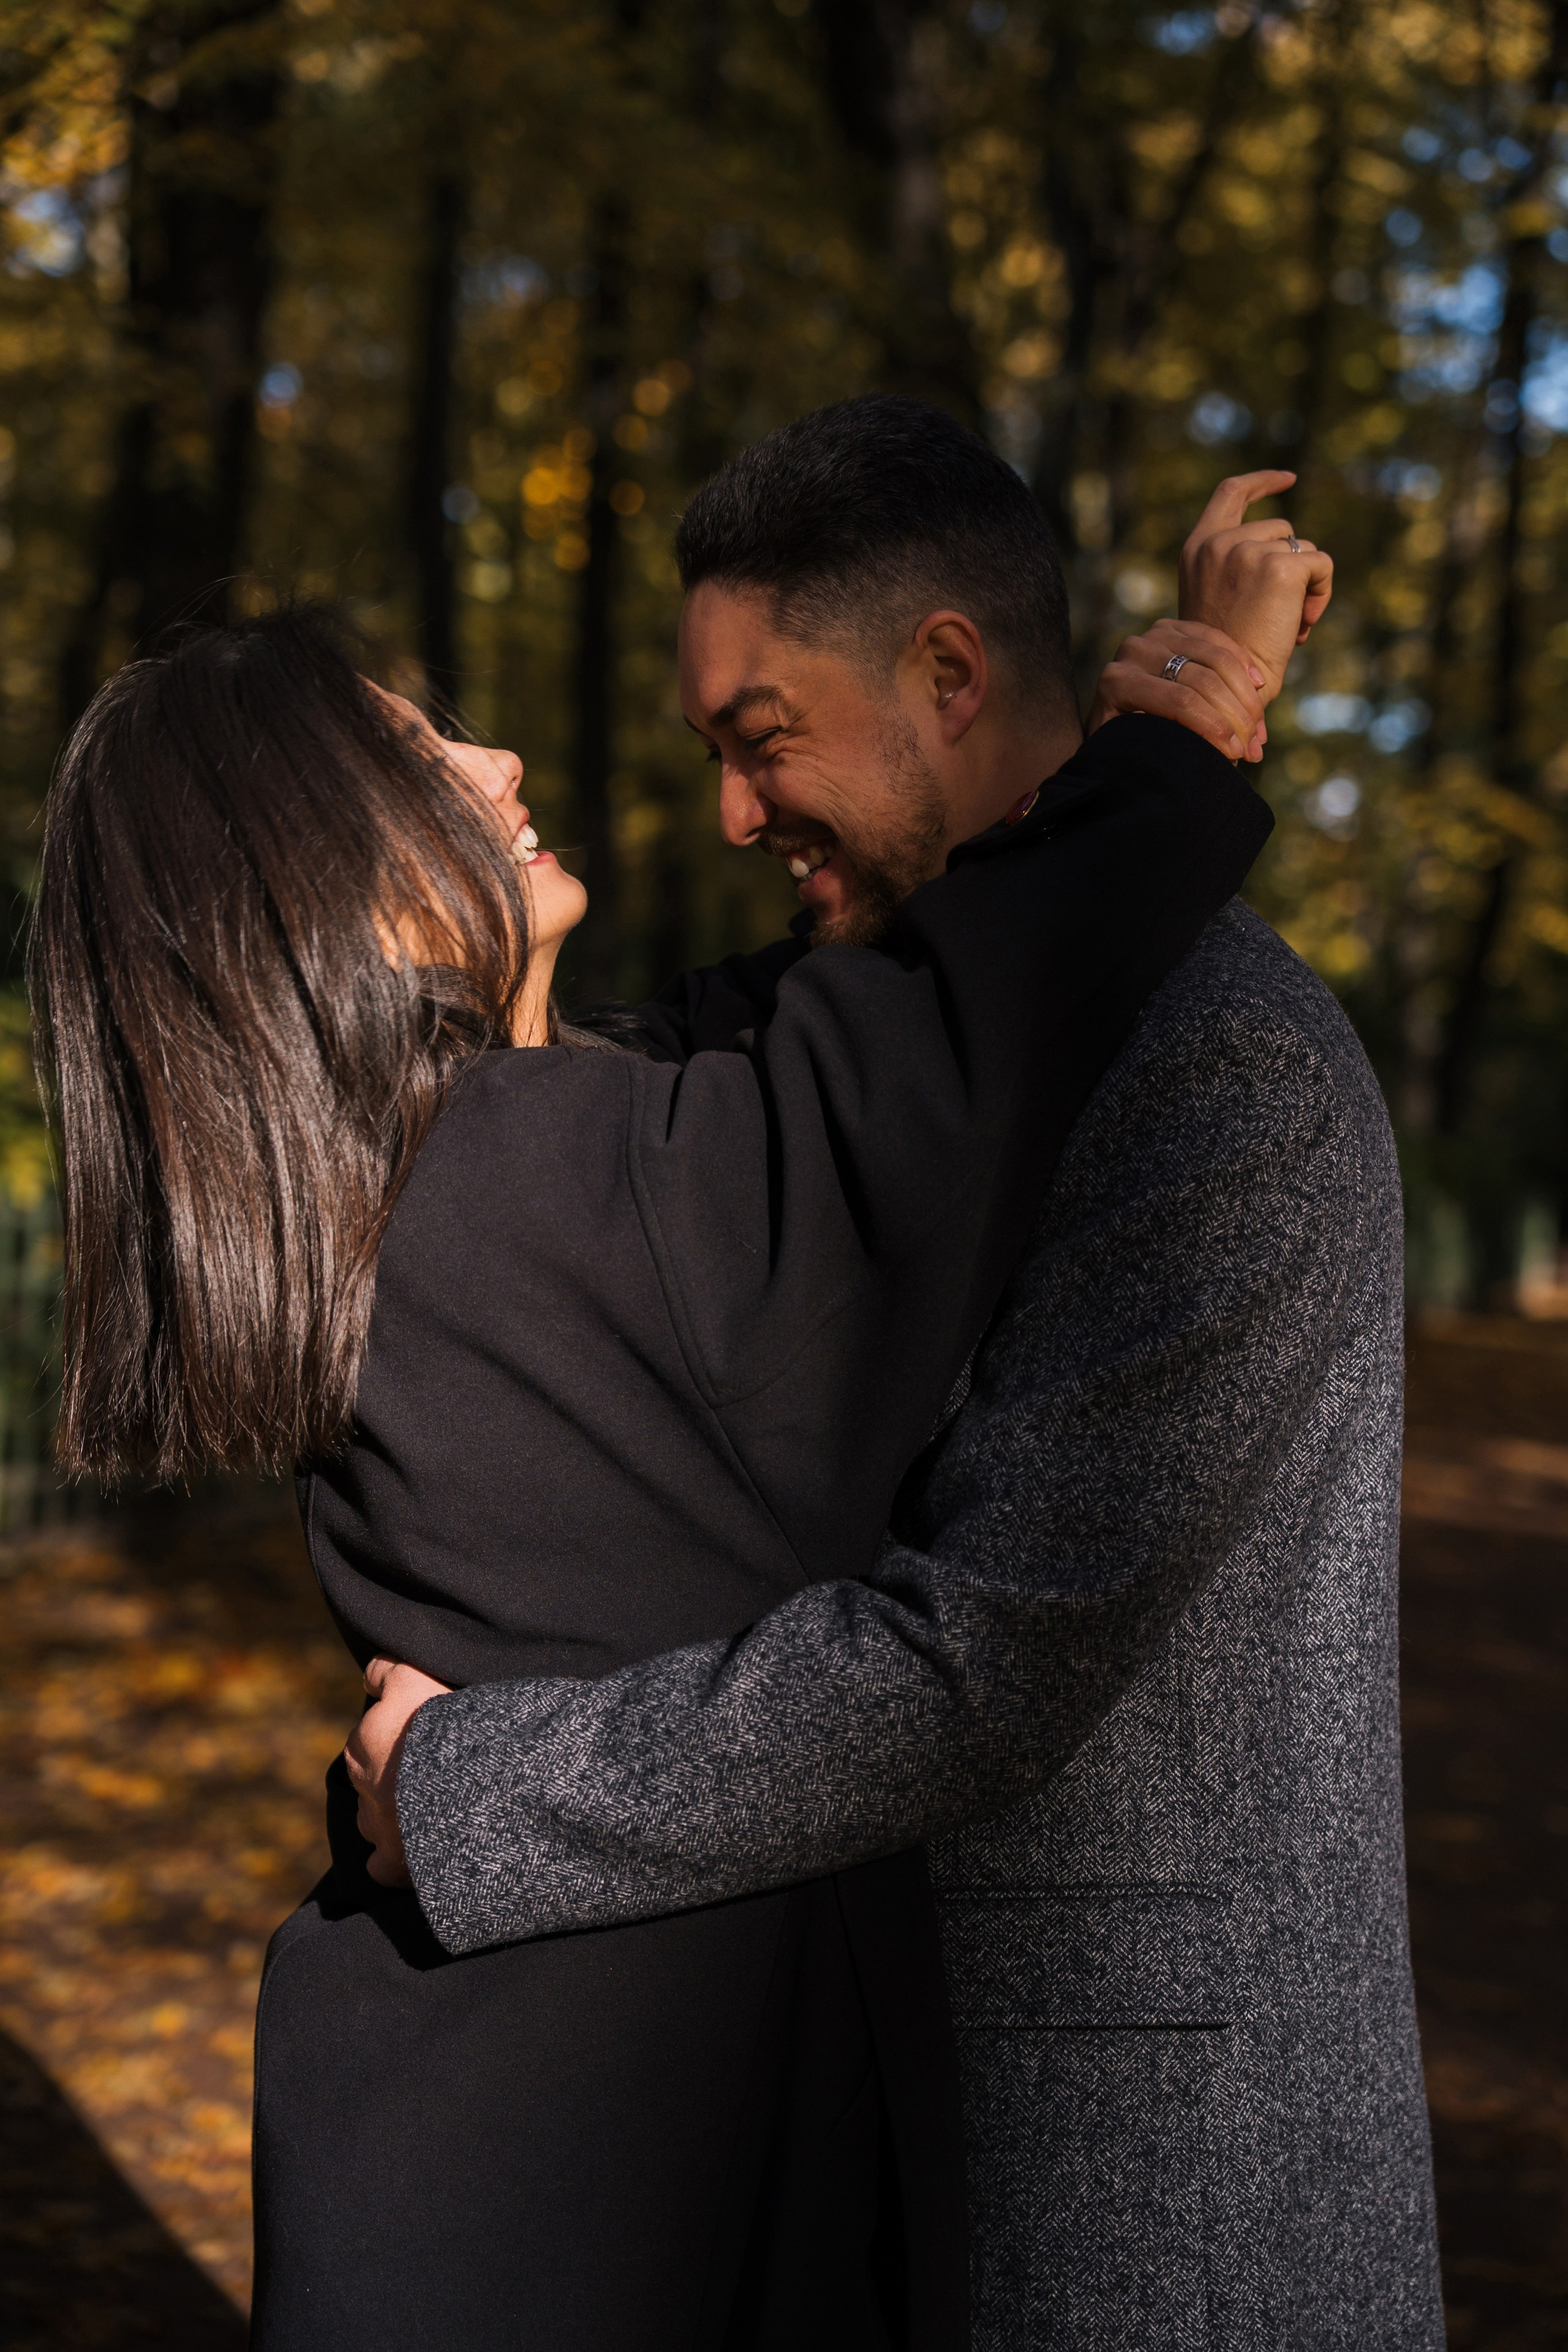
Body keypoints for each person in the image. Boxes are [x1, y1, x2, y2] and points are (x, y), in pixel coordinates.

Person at [29, 417, 1272, 2349]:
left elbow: (758, 1021)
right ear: (328, 896)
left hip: (477, 2127)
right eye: (418, 760)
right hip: (574, 2187)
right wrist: (1186, 745)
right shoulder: (566, 1193)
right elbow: (958, 1015)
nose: (498, 761)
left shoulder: (435, 1182)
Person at [352, 400, 1446, 2350]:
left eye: (761, 743)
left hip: (1144, 2195)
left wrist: (469, 1790)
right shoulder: (868, 1033)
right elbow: (584, 1146)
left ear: (947, 673)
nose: (734, 819)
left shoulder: (1216, 1072)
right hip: (880, 2142)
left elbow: (987, 1669)